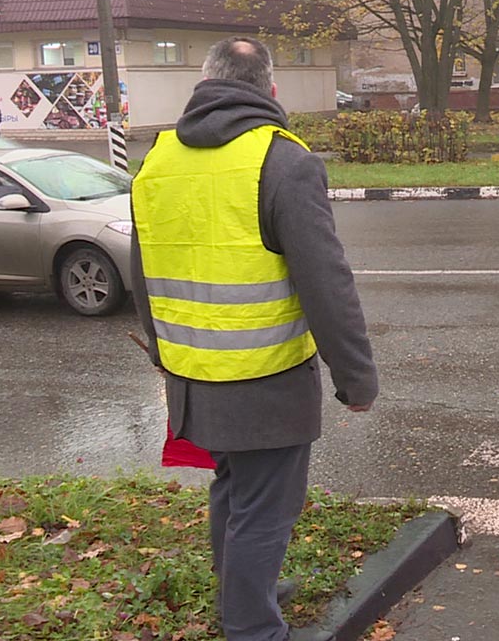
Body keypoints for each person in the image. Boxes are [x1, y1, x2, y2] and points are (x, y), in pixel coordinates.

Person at [130, 36, 379, 641]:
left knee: (234, 488)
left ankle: (246, 587)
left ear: (205, 83)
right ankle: (251, 627)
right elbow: (326, 281)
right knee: (265, 510)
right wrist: (357, 378)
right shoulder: (284, 161)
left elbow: (142, 273)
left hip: (191, 371)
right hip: (266, 378)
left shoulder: (157, 159)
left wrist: (166, 356)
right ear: (269, 89)